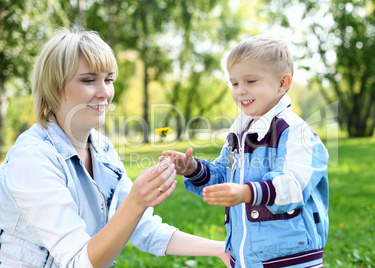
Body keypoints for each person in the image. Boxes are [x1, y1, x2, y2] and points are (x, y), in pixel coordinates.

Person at [0, 27, 230, 268]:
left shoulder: (101, 147)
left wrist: (221, 250)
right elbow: (79, 262)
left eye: (108, 79)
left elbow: (144, 229)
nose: (104, 93)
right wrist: (136, 202)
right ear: (55, 87)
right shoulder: (32, 158)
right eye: (88, 80)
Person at [162, 35, 329, 267]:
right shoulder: (238, 134)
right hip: (246, 257)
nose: (240, 91)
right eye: (235, 83)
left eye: (250, 81)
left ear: (282, 83)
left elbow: (294, 186)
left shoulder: (295, 132)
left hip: (289, 256)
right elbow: (225, 174)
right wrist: (193, 169)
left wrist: (248, 193)